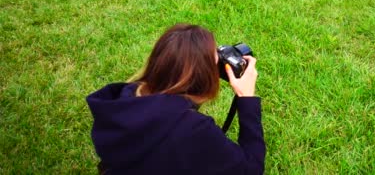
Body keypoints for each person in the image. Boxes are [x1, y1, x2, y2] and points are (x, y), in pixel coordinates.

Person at [86, 24, 265, 174]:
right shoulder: (193, 129)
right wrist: (246, 98)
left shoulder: (124, 98)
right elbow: (251, 169)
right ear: (204, 77)